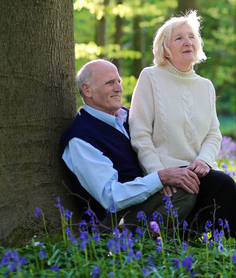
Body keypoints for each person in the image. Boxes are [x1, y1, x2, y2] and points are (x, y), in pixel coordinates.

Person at [129, 10, 236, 243]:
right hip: (169, 172)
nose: (187, 42)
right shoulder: (150, 77)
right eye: (179, 38)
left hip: (198, 170)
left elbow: (213, 133)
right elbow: (140, 133)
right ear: (165, 49)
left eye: (191, 37)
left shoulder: (205, 86)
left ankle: (219, 248)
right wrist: (158, 176)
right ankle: (230, 253)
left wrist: (204, 160)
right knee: (224, 185)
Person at [60, 59, 200, 230]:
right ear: (87, 90)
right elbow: (111, 197)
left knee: (199, 181)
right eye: (110, 83)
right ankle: (151, 247)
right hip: (112, 222)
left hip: (144, 200)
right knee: (184, 192)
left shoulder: (128, 116)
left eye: (118, 81)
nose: (119, 88)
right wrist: (161, 178)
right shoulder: (80, 138)